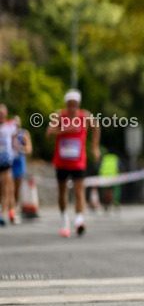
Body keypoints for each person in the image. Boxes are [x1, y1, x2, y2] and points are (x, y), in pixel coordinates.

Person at [46, 91, 100, 236]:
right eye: (69, 104)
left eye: (74, 104)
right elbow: (49, 132)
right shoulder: (59, 115)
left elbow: (96, 127)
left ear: (78, 105)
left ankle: (79, 221)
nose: (72, 107)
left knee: (79, 191)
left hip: (78, 161)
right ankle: (64, 221)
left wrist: (95, 147)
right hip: (61, 161)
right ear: (66, 105)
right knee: (62, 191)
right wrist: (65, 130)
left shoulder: (85, 115)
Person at [11, 116, 32, 218]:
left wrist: (19, 148)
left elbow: (29, 149)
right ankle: (10, 209)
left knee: (16, 189)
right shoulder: (7, 133)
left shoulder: (24, 134)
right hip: (9, 164)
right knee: (7, 188)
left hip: (19, 165)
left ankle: (14, 208)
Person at [0, 106, 18, 224]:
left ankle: (3, 213)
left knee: (5, 189)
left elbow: (15, 137)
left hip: (6, 161)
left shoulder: (10, 126)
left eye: (3, 114)